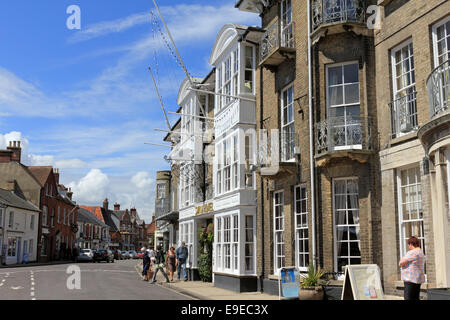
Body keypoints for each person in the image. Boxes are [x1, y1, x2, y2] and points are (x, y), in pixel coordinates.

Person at [399, 236, 426, 300]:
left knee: (408, 298)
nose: (408, 247)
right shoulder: (421, 252)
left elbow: (400, 263)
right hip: (418, 279)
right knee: (416, 297)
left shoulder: (412, 252)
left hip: (410, 279)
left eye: (408, 245)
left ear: (411, 244)